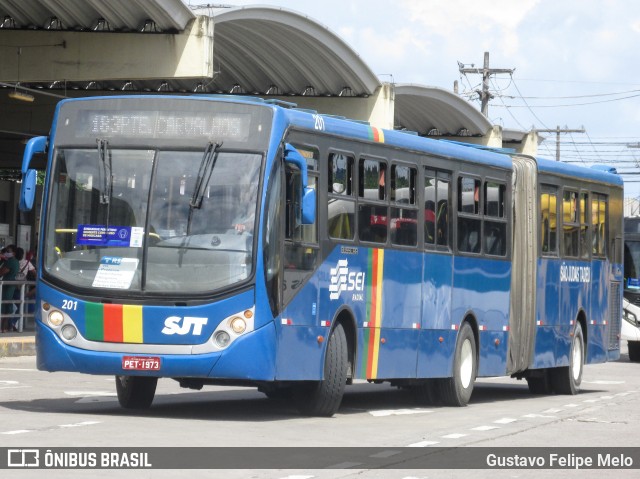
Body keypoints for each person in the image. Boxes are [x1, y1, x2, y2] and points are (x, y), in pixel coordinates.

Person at [0, 244, 20, 332]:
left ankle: (3, 327)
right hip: (9, 286)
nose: (6, 253)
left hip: (6, 286)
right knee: (7, 305)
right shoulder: (13, 261)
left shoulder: (10, 262)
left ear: (14, 253)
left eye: (8, 251)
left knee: (5, 305)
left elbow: (1, 272)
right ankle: (5, 327)